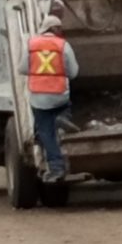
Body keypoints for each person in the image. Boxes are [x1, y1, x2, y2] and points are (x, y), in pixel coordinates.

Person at [19, 15, 79, 182]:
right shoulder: (63, 45)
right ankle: (62, 118)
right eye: (59, 28)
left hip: (39, 97)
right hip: (60, 95)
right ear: (54, 29)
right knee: (65, 109)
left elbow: (22, 69)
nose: (61, 30)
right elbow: (73, 72)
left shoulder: (31, 45)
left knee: (46, 133)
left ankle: (56, 167)